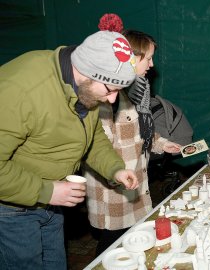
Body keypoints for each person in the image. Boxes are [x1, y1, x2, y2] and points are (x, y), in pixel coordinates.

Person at [0, 30, 140, 270]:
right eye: (110, 89)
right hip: (12, 208)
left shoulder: (84, 88)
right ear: (86, 72)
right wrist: (45, 191)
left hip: (52, 200)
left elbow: (93, 136)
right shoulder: (21, 90)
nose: (112, 100)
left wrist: (115, 169)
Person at [83, 27, 181, 256]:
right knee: (111, 249)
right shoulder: (107, 96)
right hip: (113, 192)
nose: (152, 64)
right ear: (130, 58)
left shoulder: (132, 93)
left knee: (132, 245)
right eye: (147, 58)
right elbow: (97, 149)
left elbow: (141, 134)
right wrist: (116, 173)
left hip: (135, 188)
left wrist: (163, 144)